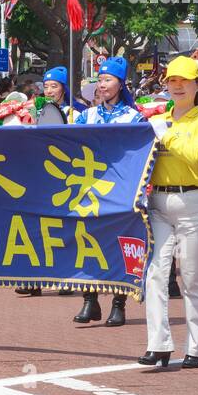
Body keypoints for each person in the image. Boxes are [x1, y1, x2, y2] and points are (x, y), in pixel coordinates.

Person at [139, 56, 198, 370]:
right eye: (172, 80)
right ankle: (158, 345)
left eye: (184, 80)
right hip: (158, 203)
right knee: (156, 274)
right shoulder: (157, 119)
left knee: (193, 278)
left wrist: (166, 134)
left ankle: (195, 347)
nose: (178, 86)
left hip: (193, 205)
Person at [70, 57, 144, 326]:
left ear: (120, 84)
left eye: (107, 80)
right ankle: (90, 301)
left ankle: (118, 303)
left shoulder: (133, 117)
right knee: (87, 242)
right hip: (89, 188)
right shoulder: (85, 116)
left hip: (121, 188)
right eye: (99, 80)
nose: (102, 85)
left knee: (119, 244)